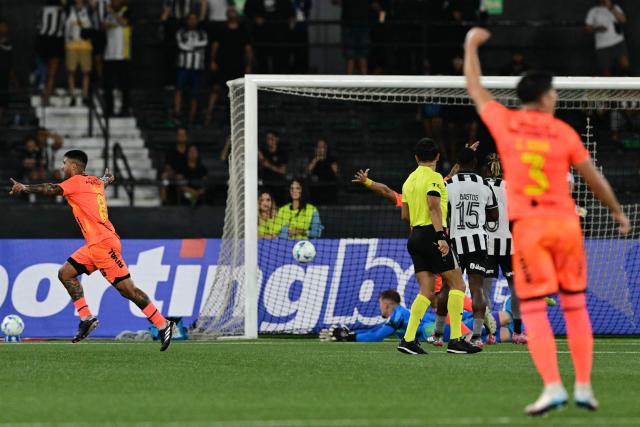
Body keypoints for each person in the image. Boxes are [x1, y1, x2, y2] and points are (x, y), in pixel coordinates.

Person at [464, 26, 631, 415]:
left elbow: (474, 87)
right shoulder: (562, 132)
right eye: (553, 91)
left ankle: (554, 386)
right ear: (543, 96)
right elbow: (594, 178)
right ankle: (585, 387)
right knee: (575, 307)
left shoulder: (505, 123)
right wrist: (618, 213)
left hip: (530, 229)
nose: (556, 96)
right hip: (566, 225)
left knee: (534, 309)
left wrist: (471, 44)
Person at [8, 151, 175, 350]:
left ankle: (163, 324)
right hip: (96, 244)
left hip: (103, 245)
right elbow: (101, 183)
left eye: (65, 164)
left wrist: (25, 187)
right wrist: (107, 178)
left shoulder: (75, 181)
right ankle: (86, 318)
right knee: (65, 273)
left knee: (128, 290)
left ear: (75, 167)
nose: (62, 168)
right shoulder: (94, 181)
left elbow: (50, 188)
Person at [397, 138, 481, 355]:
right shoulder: (433, 178)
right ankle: (455, 340)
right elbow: (434, 207)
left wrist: (461, 161)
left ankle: (407, 340)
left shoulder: (408, 181)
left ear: (416, 158)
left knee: (426, 291)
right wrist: (440, 237)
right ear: (437, 157)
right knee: (458, 285)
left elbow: (405, 215)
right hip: (432, 235)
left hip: (415, 236)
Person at [441, 147, 498, 348]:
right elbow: (494, 216)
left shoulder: (448, 186)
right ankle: (476, 336)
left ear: (457, 163)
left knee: (449, 287)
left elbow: (442, 214)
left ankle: (440, 334)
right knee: (477, 289)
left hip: (455, 243)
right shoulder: (484, 184)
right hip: (478, 242)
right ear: (474, 164)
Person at [319, 289, 515, 344]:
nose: (380, 307)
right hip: (443, 332)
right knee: (499, 333)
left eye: (380, 303)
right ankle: (519, 332)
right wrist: (352, 333)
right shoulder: (399, 316)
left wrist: (349, 337)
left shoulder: (399, 315)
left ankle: (518, 310)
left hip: (445, 331)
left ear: (387, 303)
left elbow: (377, 336)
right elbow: (375, 331)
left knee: (499, 319)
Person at [482, 153, 526, 344]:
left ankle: (489, 333)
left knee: (484, 292)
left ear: (485, 169)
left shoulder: (480, 186)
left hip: (486, 247)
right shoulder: (512, 188)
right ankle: (517, 332)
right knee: (516, 291)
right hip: (511, 247)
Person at [205, 5, 253, 126]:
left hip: (238, 65)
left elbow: (248, 49)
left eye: (233, 11)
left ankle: (238, 117)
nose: (232, 13)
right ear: (227, 14)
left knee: (238, 90)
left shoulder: (243, 30)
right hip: (223, 64)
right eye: (229, 11)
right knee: (216, 88)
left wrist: (249, 64)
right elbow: (215, 45)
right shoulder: (221, 28)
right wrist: (212, 60)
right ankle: (208, 115)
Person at [174, 12, 208, 125]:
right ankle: (176, 114)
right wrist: (194, 46)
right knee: (179, 89)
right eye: (190, 19)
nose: (192, 21)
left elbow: (204, 43)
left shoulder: (202, 33)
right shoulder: (181, 32)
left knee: (195, 93)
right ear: (187, 20)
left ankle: (191, 118)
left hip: (197, 67)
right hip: (184, 66)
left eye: (194, 19)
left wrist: (190, 46)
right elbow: (181, 46)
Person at [243, 0, 294, 74]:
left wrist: (290, 22)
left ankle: (277, 83)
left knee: (279, 62)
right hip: (260, 35)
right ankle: (262, 83)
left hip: (279, 35)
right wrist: (255, 17)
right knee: (262, 62)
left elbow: (290, 13)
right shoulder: (252, 2)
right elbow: (247, 10)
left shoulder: (284, 2)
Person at [102, 0, 132, 117]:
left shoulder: (127, 11)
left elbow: (124, 23)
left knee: (124, 85)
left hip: (122, 54)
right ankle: (109, 109)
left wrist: (114, 15)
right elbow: (104, 26)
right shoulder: (108, 14)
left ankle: (125, 109)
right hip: (109, 54)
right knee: (108, 85)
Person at [585, 0, 629, 76]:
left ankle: (625, 85)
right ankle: (610, 87)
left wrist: (611, 8)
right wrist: (598, 29)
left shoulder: (615, 7)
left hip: (618, 41)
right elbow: (587, 28)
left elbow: (623, 20)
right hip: (603, 45)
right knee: (606, 71)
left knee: (625, 65)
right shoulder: (594, 11)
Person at [36, 0, 67, 106]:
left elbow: (39, 26)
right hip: (53, 40)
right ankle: (46, 95)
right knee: (51, 71)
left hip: (44, 39)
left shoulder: (42, 9)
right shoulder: (61, 10)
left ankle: (47, 92)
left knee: (50, 71)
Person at [65, 0, 93, 105]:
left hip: (85, 45)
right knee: (71, 71)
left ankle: (85, 95)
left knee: (86, 71)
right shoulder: (69, 10)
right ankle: (72, 95)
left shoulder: (88, 10)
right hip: (71, 45)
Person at [305, 139, 339, 205]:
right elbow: (307, 171)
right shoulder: (312, 159)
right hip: (315, 190)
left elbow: (336, 174)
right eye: (319, 147)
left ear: (326, 148)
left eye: (323, 147)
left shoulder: (332, 159)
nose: (321, 149)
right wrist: (316, 159)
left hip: (329, 188)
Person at [161, 127, 189, 205]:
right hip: (173, 175)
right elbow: (167, 166)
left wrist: (183, 175)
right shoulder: (171, 150)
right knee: (164, 176)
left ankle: (188, 199)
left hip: (187, 175)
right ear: (177, 136)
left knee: (182, 179)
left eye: (183, 135)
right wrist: (174, 174)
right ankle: (163, 200)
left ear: (186, 136)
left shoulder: (190, 150)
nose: (181, 137)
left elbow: (193, 165)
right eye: (180, 135)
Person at [258, 130, 288, 203]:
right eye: (268, 139)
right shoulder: (263, 152)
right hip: (266, 185)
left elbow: (283, 171)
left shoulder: (282, 153)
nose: (269, 141)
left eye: (272, 138)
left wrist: (269, 165)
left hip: (279, 185)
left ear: (276, 139)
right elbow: (261, 166)